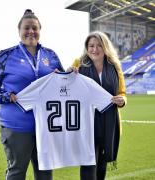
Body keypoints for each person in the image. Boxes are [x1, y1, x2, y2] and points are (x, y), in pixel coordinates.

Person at [0, 9, 64, 180]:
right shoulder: (5, 56)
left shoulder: (51, 56)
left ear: (40, 31)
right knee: (17, 172)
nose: (31, 32)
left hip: (46, 126)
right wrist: (6, 96)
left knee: (45, 172)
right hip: (16, 126)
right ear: (19, 31)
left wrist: (68, 75)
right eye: (26, 28)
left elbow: (63, 85)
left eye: (35, 28)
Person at [71, 31, 127, 180]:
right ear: (86, 47)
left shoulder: (115, 66)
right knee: (88, 165)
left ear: (105, 47)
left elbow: (122, 92)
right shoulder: (79, 63)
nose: (94, 49)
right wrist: (69, 73)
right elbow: (67, 88)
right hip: (86, 123)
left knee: (101, 164)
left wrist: (122, 100)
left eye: (99, 46)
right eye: (91, 46)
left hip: (109, 123)